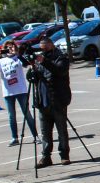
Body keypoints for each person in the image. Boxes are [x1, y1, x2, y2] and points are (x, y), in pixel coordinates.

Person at [28, 37, 71, 167]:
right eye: (41, 48)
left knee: (61, 129)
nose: (44, 50)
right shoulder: (40, 59)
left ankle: (64, 155)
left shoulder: (61, 57)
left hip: (58, 99)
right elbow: (34, 78)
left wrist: (44, 61)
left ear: (51, 45)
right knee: (45, 131)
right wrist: (32, 70)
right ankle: (46, 157)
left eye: (45, 47)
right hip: (42, 100)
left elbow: (59, 71)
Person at [0, 41, 37, 146]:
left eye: (10, 47)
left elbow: (26, 64)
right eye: (6, 48)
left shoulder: (18, 59)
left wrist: (17, 54)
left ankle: (35, 136)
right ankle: (14, 138)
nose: (8, 50)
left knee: (27, 114)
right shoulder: (1, 61)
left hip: (21, 90)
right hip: (8, 92)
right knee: (11, 116)